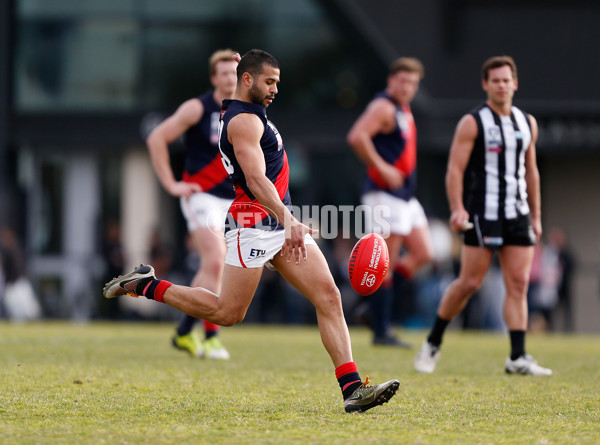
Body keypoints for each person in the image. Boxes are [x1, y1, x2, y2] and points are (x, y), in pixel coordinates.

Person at [105, 49, 399, 413]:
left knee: (329, 297)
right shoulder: (244, 121)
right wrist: (289, 220)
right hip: (253, 225)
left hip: (278, 220)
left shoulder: (249, 113)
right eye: (269, 81)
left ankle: (352, 389)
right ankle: (144, 284)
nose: (275, 88)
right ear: (248, 80)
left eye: (277, 81)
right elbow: (257, 179)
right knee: (228, 313)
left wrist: (288, 219)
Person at [414, 56, 552, 376]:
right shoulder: (473, 122)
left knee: (517, 283)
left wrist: (536, 215)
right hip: (483, 212)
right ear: (485, 84)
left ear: (515, 84)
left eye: (507, 80)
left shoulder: (526, 122)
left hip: (517, 212)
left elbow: (531, 171)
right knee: (469, 282)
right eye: (496, 81)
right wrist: (457, 208)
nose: (502, 86)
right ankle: (433, 342)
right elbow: (455, 169)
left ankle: (517, 356)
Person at [146, 49, 239, 360]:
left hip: (234, 200)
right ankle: (212, 337)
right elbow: (157, 138)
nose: (230, 78)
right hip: (202, 197)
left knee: (210, 269)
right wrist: (171, 184)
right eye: (224, 73)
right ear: (214, 77)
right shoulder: (197, 108)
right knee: (216, 262)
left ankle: (184, 332)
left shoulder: (246, 110)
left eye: (235, 72)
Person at [347, 57, 433, 347]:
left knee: (423, 253)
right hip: (384, 193)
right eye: (403, 81)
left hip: (405, 196)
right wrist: (382, 167)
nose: (407, 87)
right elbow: (357, 137)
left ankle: (372, 307)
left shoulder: (403, 110)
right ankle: (381, 331)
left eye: (413, 82)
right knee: (385, 261)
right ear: (391, 81)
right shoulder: (383, 106)